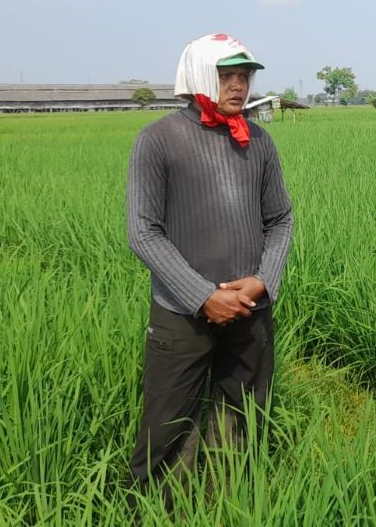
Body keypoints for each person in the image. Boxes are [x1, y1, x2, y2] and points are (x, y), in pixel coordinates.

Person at [126, 33, 293, 501]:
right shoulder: (159, 140)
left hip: (250, 309)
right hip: (181, 316)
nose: (239, 85)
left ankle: (230, 502)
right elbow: (143, 231)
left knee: (243, 416)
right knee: (167, 423)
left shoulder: (258, 140)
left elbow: (280, 217)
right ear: (199, 75)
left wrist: (263, 280)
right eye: (227, 76)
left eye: (244, 76)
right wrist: (203, 296)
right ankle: (157, 509)